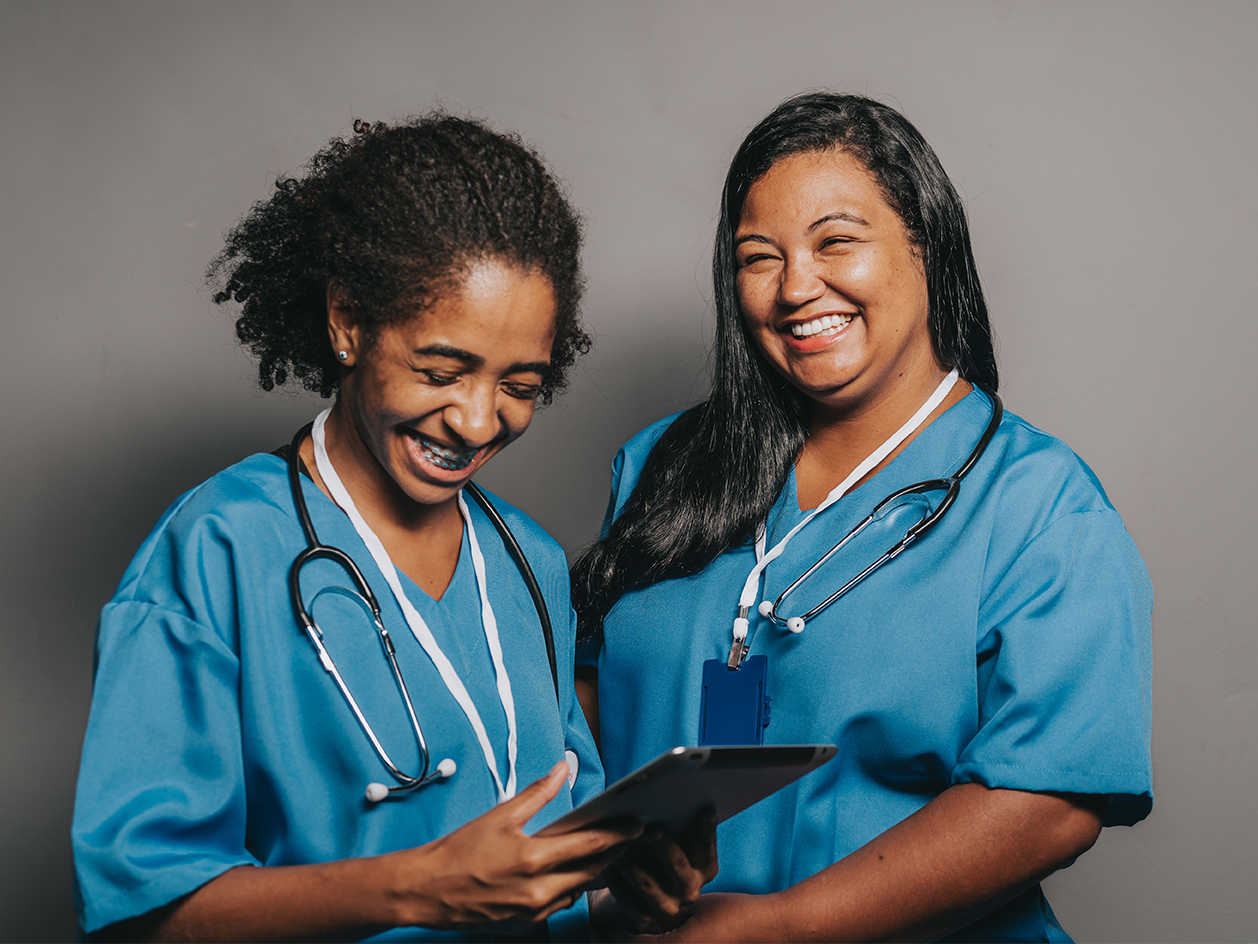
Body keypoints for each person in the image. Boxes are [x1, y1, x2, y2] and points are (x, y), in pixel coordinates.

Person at [72, 114, 708, 942]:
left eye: (521, 383)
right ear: (348, 321)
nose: (479, 421)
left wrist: (630, 889)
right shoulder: (217, 552)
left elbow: (564, 865)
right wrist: (416, 892)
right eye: (442, 371)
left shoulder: (530, 563)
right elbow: (138, 916)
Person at [572, 92, 1153, 942]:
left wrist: (782, 927)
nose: (797, 287)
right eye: (757, 257)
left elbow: (1050, 802)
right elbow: (584, 712)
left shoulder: (1038, 504)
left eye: (836, 241)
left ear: (928, 245)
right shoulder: (661, 463)